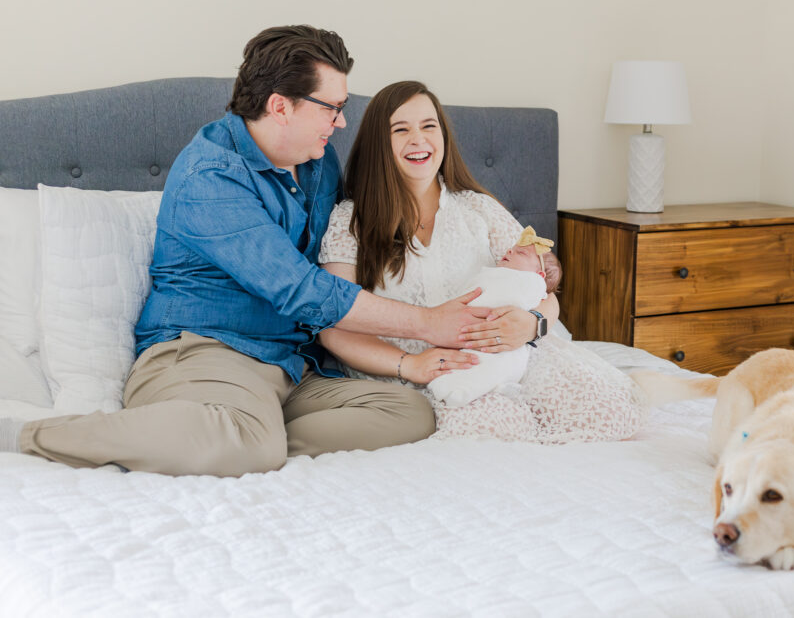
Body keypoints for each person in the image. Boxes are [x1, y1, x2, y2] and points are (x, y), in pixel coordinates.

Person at [0, 26, 492, 477]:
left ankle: (248, 435)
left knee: (408, 411)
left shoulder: (317, 161)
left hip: (290, 364)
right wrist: (427, 323)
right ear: (281, 107)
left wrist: (529, 268)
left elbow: (356, 238)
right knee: (251, 446)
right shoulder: (210, 176)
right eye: (331, 107)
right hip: (205, 355)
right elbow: (301, 289)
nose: (341, 123)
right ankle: (31, 434)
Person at [318, 80, 646, 444]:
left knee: (608, 411)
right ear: (379, 144)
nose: (419, 139)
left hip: (512, 353)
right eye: (401, 130)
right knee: (492, 435)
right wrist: (410, 365)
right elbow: (334, 325)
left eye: (429, 126)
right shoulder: (349, 222)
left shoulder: (479, 209)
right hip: (419, 370)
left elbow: (541, 289)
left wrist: (532, 323)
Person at [426, 226, 563, 408]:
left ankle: (464, 390)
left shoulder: (531, 285)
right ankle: (462, 387)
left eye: (519, 253)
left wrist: (533, 323)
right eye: (512, 249)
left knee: (496, 361)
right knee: (473, 360)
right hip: (462, 334)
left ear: (539, 276)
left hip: (507, 341)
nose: (509, 251)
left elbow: (544, 297)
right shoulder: (494, 275)